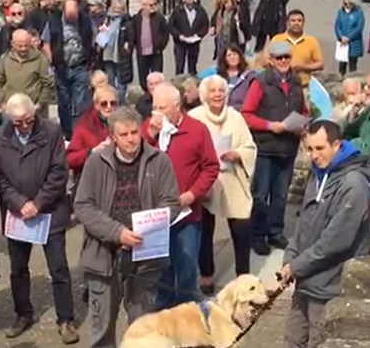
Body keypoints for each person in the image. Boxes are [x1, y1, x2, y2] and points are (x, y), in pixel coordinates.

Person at [74, 106, 181, 348]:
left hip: (145, 257)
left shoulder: (159, 161)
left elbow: (171, 202)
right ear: (113, 137)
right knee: (102, 327)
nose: (131, 139)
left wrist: (149, 224)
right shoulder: (96, 162)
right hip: (104, 256)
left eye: (134, 132)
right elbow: (83, 206)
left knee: (143, 328)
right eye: (124, 135)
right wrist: (117, 232)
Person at [0, 93, 78, 343]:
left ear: (35, 113)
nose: (25, 126)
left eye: (29, 120)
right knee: (18, 269)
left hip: (50, 211)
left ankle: (66, 319)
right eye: (18, 123)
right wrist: (20, 203)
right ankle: (23, 314)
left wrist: (38, 203)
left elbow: (59, 172)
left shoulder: (51, 131)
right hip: (17, 213)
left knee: (59, 268)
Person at [281, 120, 370, 348]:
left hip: (329, 284)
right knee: (292, 340)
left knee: (318, 342)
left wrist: (295, 266)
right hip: (305, 278)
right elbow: (302, 223)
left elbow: (336, 242)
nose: (313, 155)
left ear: (337, 145)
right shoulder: (317, 174)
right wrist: (290, 259)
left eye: (319, 148)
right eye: (309, 149)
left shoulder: (354, 184)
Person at [142, 82, 220, 308]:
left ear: (177, 107)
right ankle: (165, 316)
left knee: (186, 269)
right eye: (154, 107)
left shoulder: (197, 130)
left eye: (163, 108)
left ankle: (189, 313)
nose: (157, 113)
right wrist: (150, 134)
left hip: (187, 215)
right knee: (162, 271)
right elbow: (134, 156)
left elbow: (210, 167)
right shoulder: (150, 128)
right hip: (156, 214)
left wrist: (192, 194)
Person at [189, 75, 257, 295]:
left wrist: (237, 154)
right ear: (204, 94)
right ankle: (206, 274)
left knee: (241, 228)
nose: (217, 94)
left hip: (231, 176)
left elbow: (250, 146)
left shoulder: (236, 117)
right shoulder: (194, 117)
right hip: (206, 179)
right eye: (213, 91)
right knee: (204, 228)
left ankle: (243, 276)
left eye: (221, 90)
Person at [241, 40, 310, 255]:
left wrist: (303, 124)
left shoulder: (297, 83)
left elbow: (304, 110)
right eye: (279, 58)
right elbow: (246, 114)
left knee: (281, 194)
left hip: (288, 146)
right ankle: (258, 235)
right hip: (266, 147)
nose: (283, 61)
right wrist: (271, 126)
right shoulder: (260, 83)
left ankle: (275, 232)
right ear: (271, 60)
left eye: (286, 57)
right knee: (261, 194)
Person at [43, 0, 96, 140]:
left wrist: (89, 53)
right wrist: (51, 60)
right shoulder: (53, 21)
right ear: (64, 11)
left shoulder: (85, 20)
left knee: (79, 102)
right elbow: (46, 43)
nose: (72, 18)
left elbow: (93, 35)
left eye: (74, 15)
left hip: (80, 66)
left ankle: (78, 132)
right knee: (64, 102)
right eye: (69, 15)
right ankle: (67, 132)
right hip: (61, 67)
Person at [66, 85, 120, 203]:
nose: (109, 107)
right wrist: (92, 152)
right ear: (96, 105)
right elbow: (69, 159)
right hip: (90, 182)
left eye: (113, 103)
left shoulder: (124, 123)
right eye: (104, 104)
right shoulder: (83, 125)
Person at [0, 28, 54, 115]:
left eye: (26, 45)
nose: (23, 49)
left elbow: (48, 84)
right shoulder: (5, 59)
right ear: (12, 44)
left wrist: (39, 104)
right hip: (10, 109)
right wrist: (1, 102)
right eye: (20, 46)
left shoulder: (41, 60)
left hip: (34, 109)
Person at [168, 0, 210, 76]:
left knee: (192, 66)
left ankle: (192, 83)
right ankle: (179, 84)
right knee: (179, 66)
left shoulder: (200, 11)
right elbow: (171, 26)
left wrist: (199, 35)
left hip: (194, 42)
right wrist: (179, 35)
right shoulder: (177, 11)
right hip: (180, 42)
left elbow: (205, 25)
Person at [100, 0, 134, 103]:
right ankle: (111, 101)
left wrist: (127, 47)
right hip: (107, 53)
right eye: (115, 7)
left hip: (120, 55)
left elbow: (131, 37)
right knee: (110, 81)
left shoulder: (127, 22)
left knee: (121, 81)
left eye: (119, 8)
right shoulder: (107, 20)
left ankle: (120, 103)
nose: (117, 10)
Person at [334, 0, 365, 75]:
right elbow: (337, 26)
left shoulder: (358, 12)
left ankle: (352, 82)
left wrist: (349, 38)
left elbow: (359, 27)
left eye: (349, 3)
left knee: (353, 65)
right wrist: (341, 37)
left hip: (354, 43)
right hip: (342, 43)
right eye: (345, 3)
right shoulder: (340, 12)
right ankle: (341, 81)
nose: (347, 5)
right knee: (342, 65)